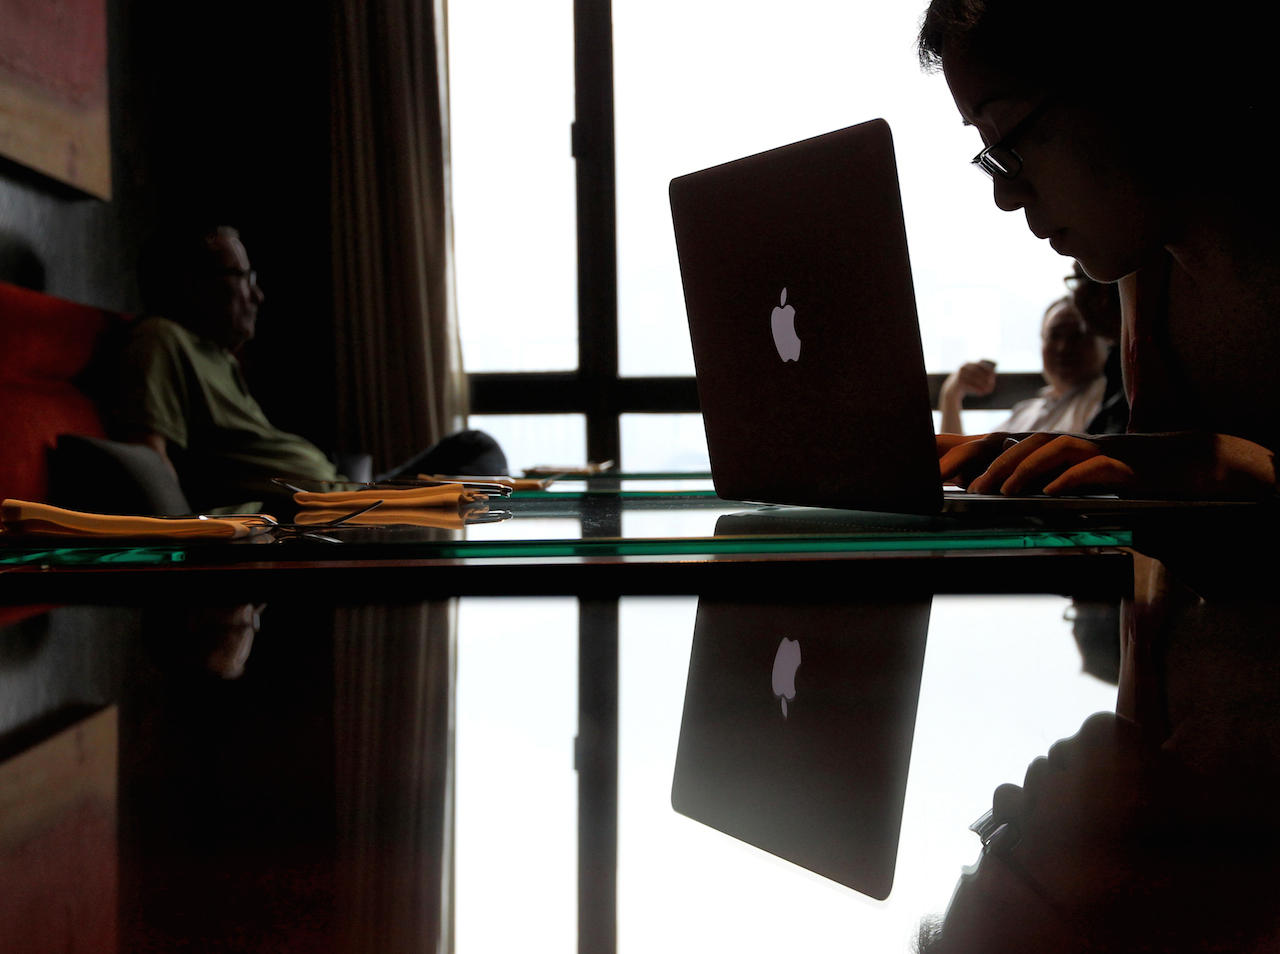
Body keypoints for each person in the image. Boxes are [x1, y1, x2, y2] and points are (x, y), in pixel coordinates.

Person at [917, 0, 1280, 501]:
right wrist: (1059, 456)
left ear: (1119, 83)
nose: (1005, 196)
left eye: (1006, 141)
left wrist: (1195, 465)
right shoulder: (1149, 268)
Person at [114, 224, 507, 512]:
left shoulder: (216, 354)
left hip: (344, 490)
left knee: (477, 458)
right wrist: (199, 534)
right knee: (478, 453)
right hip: (327, 510)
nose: (258, 294)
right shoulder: (159, 339)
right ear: (193, 283)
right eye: (243, 277)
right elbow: (150, 460)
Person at [939, 296, 1108, 435]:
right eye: (1054, 336)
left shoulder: (1103, 400)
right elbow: (962, 468)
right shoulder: (1025, 412)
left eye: (1077, 336)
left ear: (1104, 342)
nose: (1063, 347)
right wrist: (951, 394)